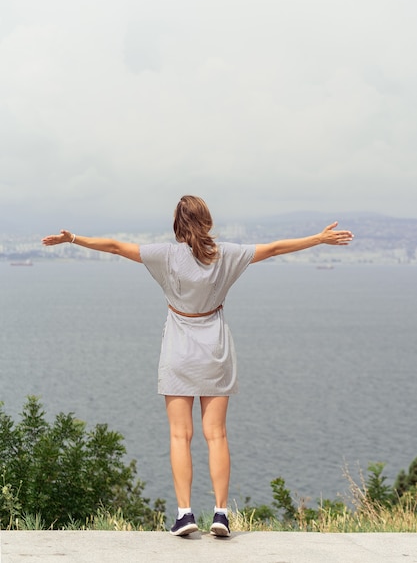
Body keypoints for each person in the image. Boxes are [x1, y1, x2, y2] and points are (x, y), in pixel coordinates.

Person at [42, 195, 354, 537]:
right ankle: (221, 514)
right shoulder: (228, 254)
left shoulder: (164, 255)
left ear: (177, 224)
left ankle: (185, 514)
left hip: (178, 351)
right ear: (207, 222)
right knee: (216, 434)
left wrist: (72, 239)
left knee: (180, 435)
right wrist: (318, 239)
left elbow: (115, 246)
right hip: (215, 350)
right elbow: (276, 248)